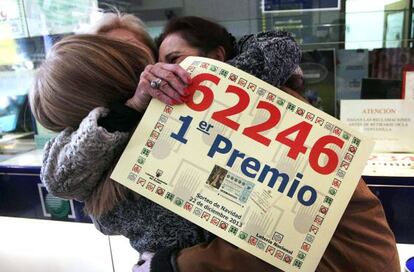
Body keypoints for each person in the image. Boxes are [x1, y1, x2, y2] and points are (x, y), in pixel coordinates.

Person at [35, 14, 399, 272]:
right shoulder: (136, 158)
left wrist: (170, 265)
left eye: (166, 61)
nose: (160, 75)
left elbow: (285, 238)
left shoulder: (245, 106)